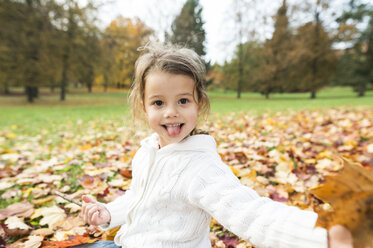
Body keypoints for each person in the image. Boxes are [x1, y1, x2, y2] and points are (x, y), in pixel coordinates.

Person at [77, 43, 354, 248]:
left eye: (183, 101)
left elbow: (250, 212)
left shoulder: (200, 168)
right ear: (144, 107)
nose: (171, 112)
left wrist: (322, 236)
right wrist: (109, 212)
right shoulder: (147, 152)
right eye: (159, 102)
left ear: (200, 103)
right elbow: (140, 200)